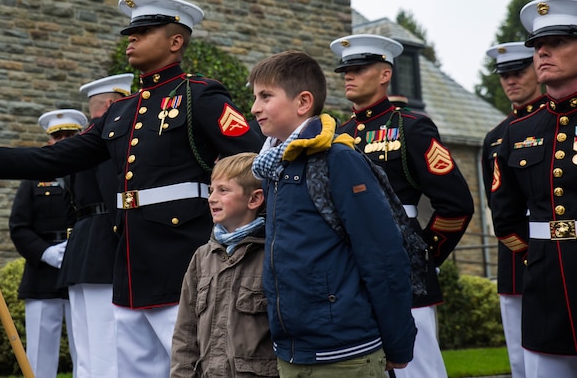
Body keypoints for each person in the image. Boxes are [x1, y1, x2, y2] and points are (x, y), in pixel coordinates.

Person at [0, 0, 264, 377]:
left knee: (195, 366)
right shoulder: (120, 112)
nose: (130, 39)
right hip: (129, 265)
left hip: (183, 259)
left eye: (144, 32)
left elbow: (255, 158)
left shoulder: (197, 95)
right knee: (134, 370)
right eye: (130, 33)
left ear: (175, 41)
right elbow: (50, 159)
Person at [248, 50, 416, 377]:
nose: (254, 108)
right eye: (255, 97)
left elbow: (382, 255)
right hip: (292, 351)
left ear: (303, 102)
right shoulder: (273, 167)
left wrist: (398, 342)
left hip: (343, 351)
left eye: (265, 96)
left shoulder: (337, 159)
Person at [331, 34, 474, 378]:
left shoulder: (411, 127)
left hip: (404, 263)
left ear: (384, 74)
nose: (348, 75)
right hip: (352, 266)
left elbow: (456, 203)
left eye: (359, 68)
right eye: (345, 69)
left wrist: (425, 254)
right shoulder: (337, 133)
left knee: (417, 367)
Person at [490, 0, 577, 377]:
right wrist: (535, 257)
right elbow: (505, 216)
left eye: (557, 42)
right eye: (539, 45)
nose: (543, 51)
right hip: (545, 284)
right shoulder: (518, 131)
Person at [171, 151, 276, 377]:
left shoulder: (272, 254)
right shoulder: (202, 257)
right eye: (211, 190)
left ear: (254, 199)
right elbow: (185, 334)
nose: (211, 198)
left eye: (223, 190)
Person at [57, 74, 132, 378]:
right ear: (114, 103)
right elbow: (113, 195)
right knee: (108, 342)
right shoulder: (108, 141)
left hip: (83, 246)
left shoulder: (81, 142)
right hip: (106, 245)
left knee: (87, 344)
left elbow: (69, 204)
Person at [482, 41, 545, 378]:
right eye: (504, 74)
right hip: (514, 256)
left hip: (557, 249)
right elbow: (498, 206)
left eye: (518, 71)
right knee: (520, 360)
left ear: (537, 68)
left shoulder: (557, 121)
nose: (510, 80)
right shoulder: (495, 136)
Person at [9, 109, 85, 378]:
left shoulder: (89, 173)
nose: (63, 140)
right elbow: (18, 227)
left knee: (87, 350)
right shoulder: (33, 179)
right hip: (42, 273)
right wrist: (45, 252)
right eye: (58, 136)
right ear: (50, 141)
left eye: (70, 135)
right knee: (40, 354)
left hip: (81, 271)